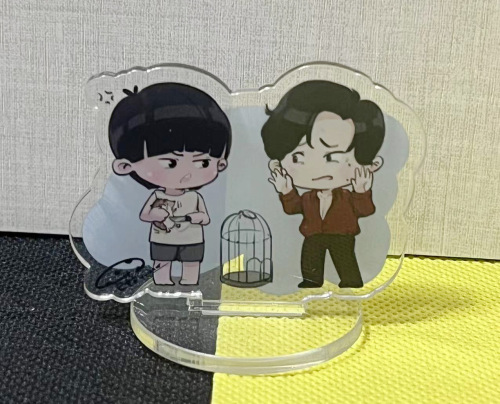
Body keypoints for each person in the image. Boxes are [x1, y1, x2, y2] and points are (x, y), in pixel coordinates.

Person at [261, 80, 385, 288]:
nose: (317, 168)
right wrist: (286, 190)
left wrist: (361, 191)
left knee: (345, 259)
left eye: (332, 157)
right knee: (310, 258)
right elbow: (292, 209)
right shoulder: (308, 197)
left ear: (371, 164)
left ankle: (351, 280)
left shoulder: (347, 196)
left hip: (342, 234)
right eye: (298, 157)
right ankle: (311, 281)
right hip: (313, 233)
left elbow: (365, 210)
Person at [108, 83, 231, 286]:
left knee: (191, 265)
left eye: (203, 163)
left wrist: (195, 217)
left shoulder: (194, 197)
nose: (187, 174)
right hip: (162, 239)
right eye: (170, 163)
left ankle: (189, 285)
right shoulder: (157, 197)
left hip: (192, 239)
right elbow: (145, 215)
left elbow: (205, 218)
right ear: (125, 166)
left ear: (221, 164)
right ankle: (162, 286)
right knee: (161, 264)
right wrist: (157, 215)